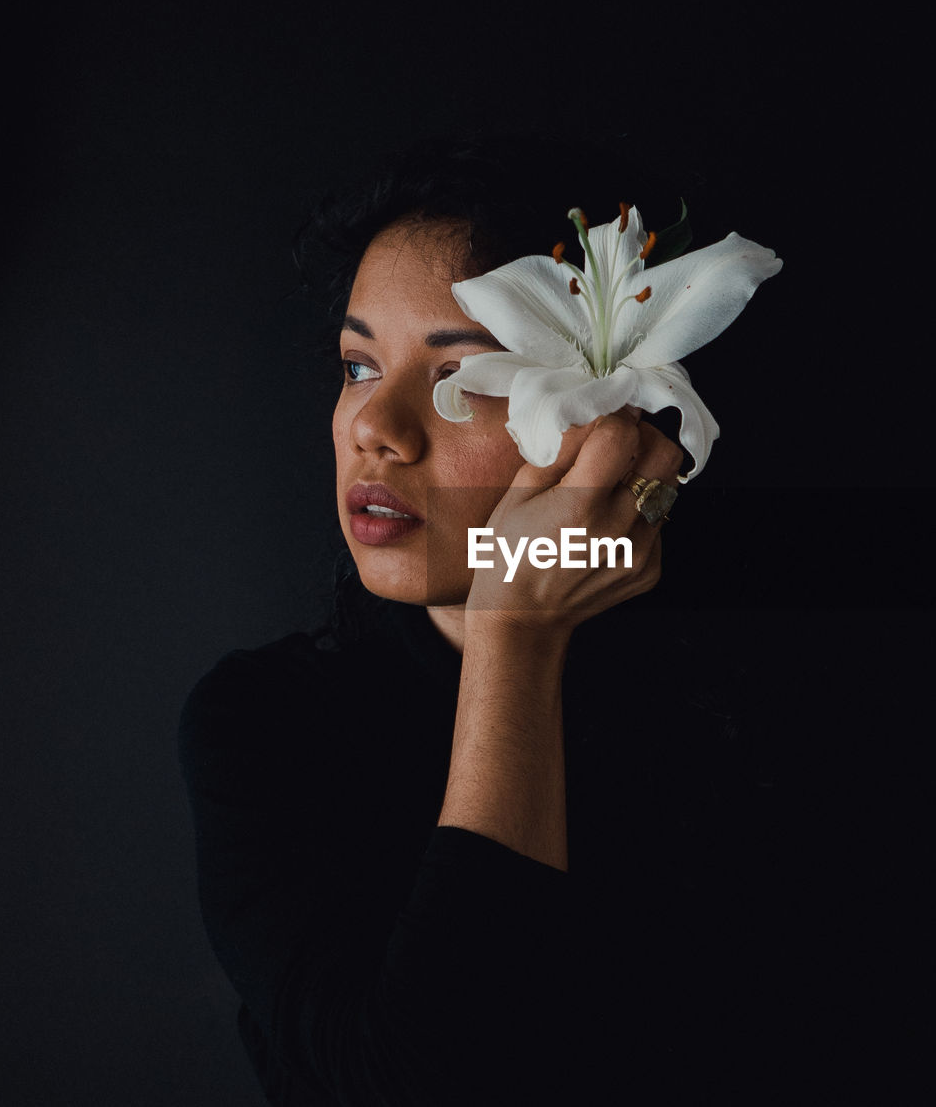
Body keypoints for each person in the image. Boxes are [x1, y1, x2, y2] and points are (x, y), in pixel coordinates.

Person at [178, 133, 778, 1106]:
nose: (376, 426)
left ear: (609, 419)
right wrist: (513, 631)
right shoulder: (262, 726)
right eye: (357, 364)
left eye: (469, 379)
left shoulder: (730, 716)